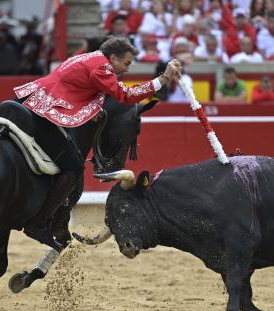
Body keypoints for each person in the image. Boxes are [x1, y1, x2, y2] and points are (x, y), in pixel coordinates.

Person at [12, 37, 182, 240]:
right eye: (126, 63)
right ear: (113, 57)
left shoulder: (90, 58)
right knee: (73, 168)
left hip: (32, 102)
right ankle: (40, 222)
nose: (127, 69)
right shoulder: (101, 67)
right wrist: (163, 78)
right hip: (44, 111)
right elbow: (124, 95)